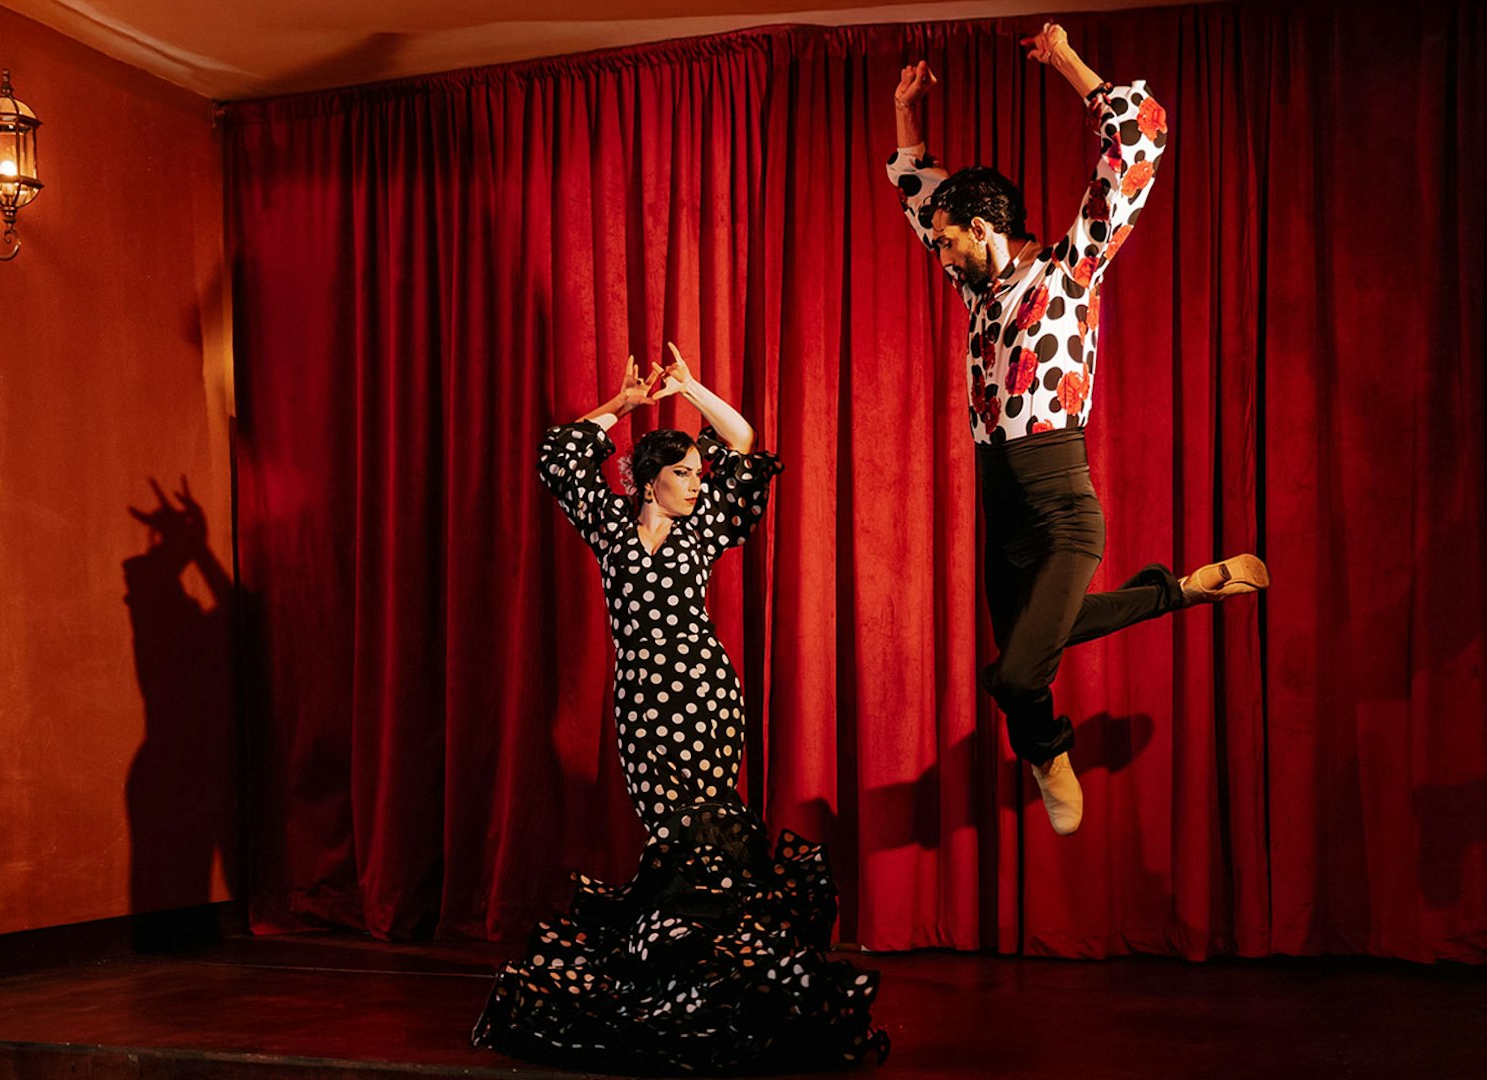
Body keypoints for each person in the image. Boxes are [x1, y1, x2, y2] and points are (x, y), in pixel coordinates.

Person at [885, 24, 1268, 835]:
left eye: (948, 239)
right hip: (1001, 504)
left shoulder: (1072, 270)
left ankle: (1048, 750)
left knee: (1014, 674)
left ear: (983, 229)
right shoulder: (976, 291)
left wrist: (1066, 62)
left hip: (1061, 504)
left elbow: (1139, 140)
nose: (938, 251)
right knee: (1034, 644)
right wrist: (907, 118)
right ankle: (1184, 589)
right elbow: (923, 201)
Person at [473, 344, 887, 1073]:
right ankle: (689, 974)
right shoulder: (609, 525)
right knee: (671, 835)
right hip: (641, 700)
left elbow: (744, 444)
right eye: (684, 474)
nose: (698, 484)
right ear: (646, 481)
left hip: (704, 693)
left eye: (699, 474)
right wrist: (623, 406)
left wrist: (691, 391)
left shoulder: (702, 529)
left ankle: (715, 983)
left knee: (708, 830)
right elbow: (560, 455)